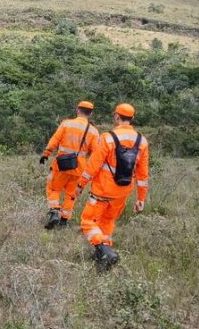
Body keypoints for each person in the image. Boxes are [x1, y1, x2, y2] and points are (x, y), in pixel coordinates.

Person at [76, 103, 149, 272]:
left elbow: (93, 165)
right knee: (108, 221)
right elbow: (143, 174)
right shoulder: (142, 141)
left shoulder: (108, 138)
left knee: (87, 221)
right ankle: (102, 257)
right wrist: (141, 198)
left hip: (102, 191)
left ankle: (105, 251)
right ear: (132, 119)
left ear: (117, 116)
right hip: (122, 193)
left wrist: (81, 184)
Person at [39, 101, 100, 229]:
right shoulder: (94, 132)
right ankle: (64, 221)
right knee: (72, 194)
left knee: (53, 188)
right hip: (79, 167)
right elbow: (95, 153)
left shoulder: (66, 124)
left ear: (77, 110)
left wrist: (46, 153)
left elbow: (55, 139)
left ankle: (54, 211)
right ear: (91, 114)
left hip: (61, 164)